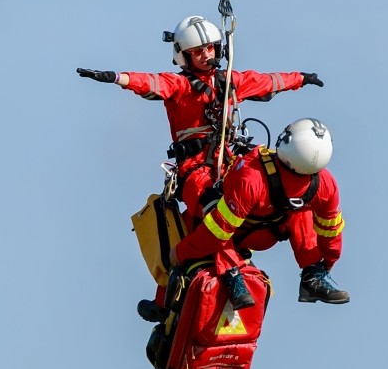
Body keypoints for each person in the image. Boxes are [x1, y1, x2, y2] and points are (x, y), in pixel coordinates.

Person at [76, 15, 324, 228]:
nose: (205, 55)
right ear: (185, 55)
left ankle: (311, 269)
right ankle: (227, 270)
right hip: (194, 169)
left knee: (275, 185)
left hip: (230, 160)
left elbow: (268, 82)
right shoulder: (179, 86)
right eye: (197, 51)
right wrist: (117, 77)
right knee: (212, 213)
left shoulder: (230, 82)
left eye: (209, 48)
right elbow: (149, 82)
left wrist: (301, 78)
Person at [169, 118, 349, 310]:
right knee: (302, 210)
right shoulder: (326, 184)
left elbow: (216, 234)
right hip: (269, 234)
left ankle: (232, 274)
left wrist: (180, 253)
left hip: (236, 234)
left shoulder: (251, 178)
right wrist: (326, 265)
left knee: (213, 210)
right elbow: (331, 234)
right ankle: (313, 276)